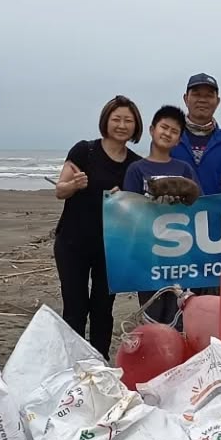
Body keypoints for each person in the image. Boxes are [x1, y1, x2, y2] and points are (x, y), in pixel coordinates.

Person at [54, 95, 143, 355]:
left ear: (136, 126)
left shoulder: (136, 164)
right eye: (116, 119)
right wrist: (74, 185)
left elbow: (138, 208)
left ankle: (99, 362)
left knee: (103, 308)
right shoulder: (85, 150)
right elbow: (60, 190)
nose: (122, 125)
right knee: (75, 306)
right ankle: (73, 364)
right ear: (106, 121)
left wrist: (125, 198)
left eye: (128, 120)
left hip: (112, 247)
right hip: (73, 242)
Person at [124, 105, 199, 326]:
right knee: (152, 315)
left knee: (179, 314)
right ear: (151, 129)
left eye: (174, 131)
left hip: (181, 255)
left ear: (178, 140)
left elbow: (199, 205)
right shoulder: (136, 169)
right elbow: (128, 210)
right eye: (163, 127)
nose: (167, 133)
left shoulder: (184, 168)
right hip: (148, 256)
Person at [172, 73, 221, 195]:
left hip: (215, 213)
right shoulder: (170, 139)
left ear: (217, 101)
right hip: (176, 213)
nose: (202, 100)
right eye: (196, 94)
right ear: (185, 99)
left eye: (209, 95)